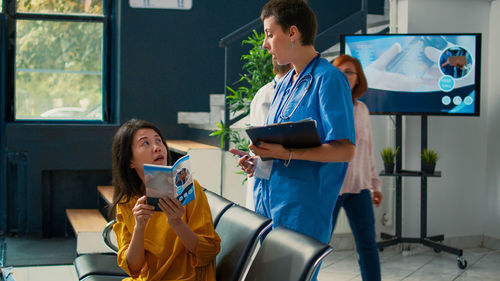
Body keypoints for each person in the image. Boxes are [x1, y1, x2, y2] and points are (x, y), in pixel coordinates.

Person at [232, 0, 355, 248]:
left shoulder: (329, 80)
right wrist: (258, 160)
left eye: (269, 34)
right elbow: (279, 143)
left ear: (292, 33)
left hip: (303, 209)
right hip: (268, 201)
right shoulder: (286, 82)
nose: (265, 44)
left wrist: (287, 153)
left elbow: (345, 150)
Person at [109, 119, 220, 281]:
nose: (157, 147)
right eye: (145, 143)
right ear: (130, 161)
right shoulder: (127, 201)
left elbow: (208, 252)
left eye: (158, 140)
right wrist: (140, 226)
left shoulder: (189, 188)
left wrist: (176, 223)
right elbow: (133, 267)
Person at [332, 55, 382, 281]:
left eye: (349, 72)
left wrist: (375, 185)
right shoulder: (327, 106)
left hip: (359, 188)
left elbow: (368, 150)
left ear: (357, 77)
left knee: (368, 246)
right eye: (339, 72)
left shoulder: (362, 110)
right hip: (331, 189)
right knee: (317, 246)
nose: (345, 76)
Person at [245, 59, 291, 210]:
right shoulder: (267, 95)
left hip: (273, 175)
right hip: (271, 178)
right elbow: (264, 143)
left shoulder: (264, 93)